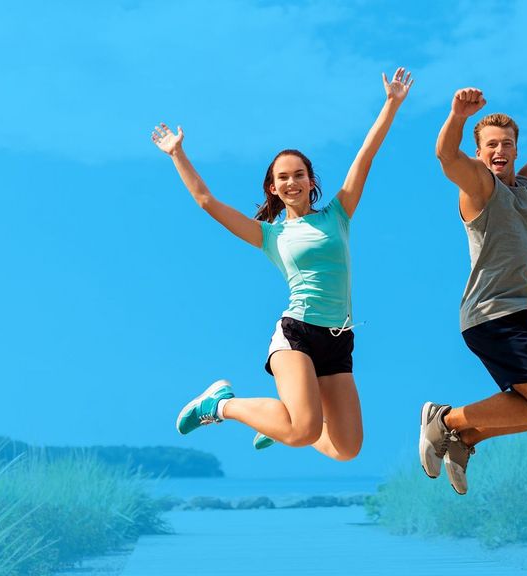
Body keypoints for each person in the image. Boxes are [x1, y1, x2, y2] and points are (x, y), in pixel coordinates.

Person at [152, 67, 413, 461]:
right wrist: (177, 154)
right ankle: (220, 405)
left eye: (299, 175)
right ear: (273, 187)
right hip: (299, 334)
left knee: (347, 449)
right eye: (283, 178)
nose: (292, 182)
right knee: (304, 430)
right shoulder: (270, 235)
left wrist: (391, 104)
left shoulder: (338, 214)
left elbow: (366, 154)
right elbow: (208, 201)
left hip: (339, 338)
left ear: (311, 181)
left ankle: (277, 424)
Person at [420, 33, 527, 494]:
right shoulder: (480, 187)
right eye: (491, 144)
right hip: (490, 318)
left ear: (517, 148)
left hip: (523, 316)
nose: (499, 151)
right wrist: (459, 117)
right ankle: (445, 419)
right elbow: (444, 155)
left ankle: (465, 438)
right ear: (480, 152)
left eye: (507, 144)